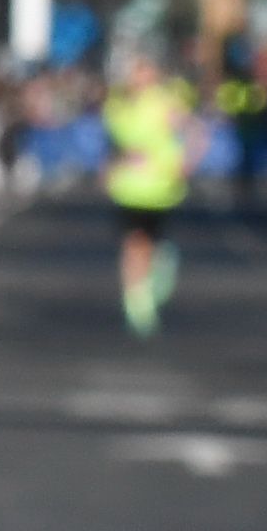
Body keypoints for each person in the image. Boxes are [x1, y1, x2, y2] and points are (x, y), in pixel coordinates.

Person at [101, 50, 194, 333]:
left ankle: (159, 269)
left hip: (160, 188)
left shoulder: (165, 103)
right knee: (134, 242)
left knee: (153, 244)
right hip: (128, 188)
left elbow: (193, 131)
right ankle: (136, 298)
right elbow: (113, 145)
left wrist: (185, 162)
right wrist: (111, 168)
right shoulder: (117, 105)